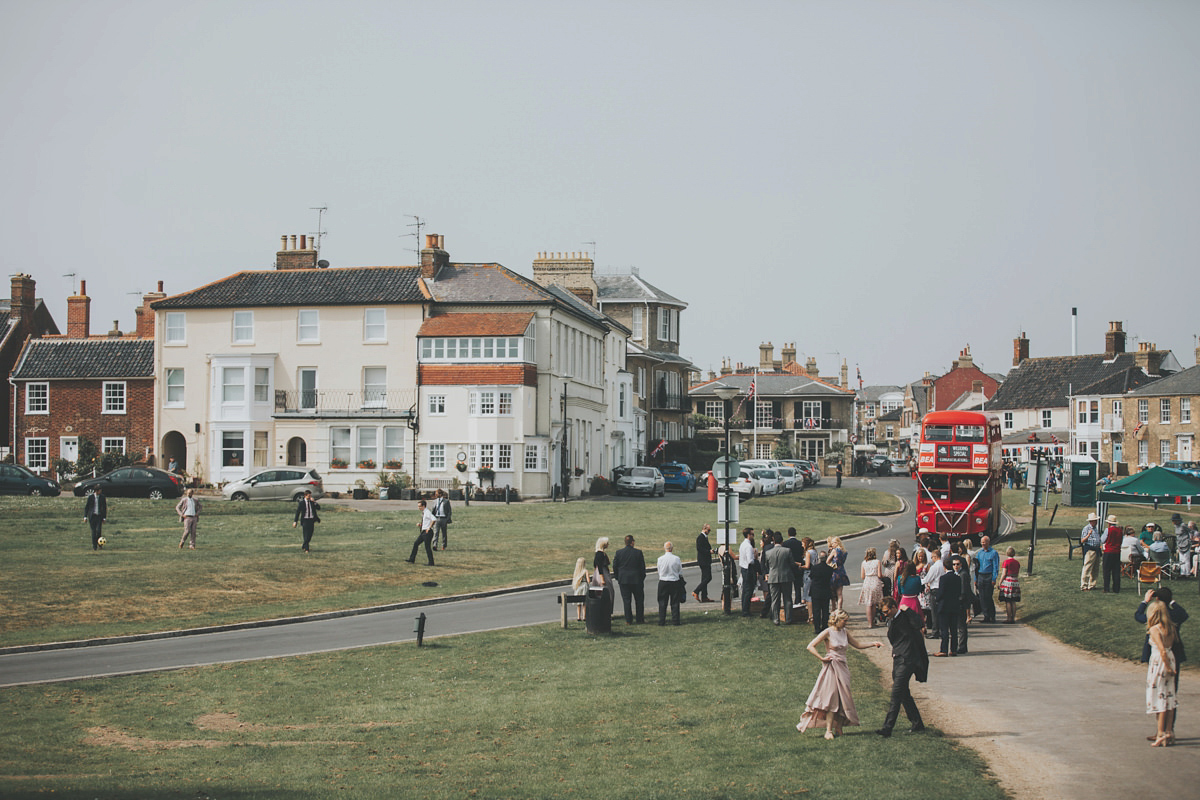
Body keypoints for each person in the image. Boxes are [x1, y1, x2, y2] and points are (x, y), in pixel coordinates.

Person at [796, 609, 882, 739]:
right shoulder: (828, 632)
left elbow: (857, 644)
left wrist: (873, 643)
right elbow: (810, 646)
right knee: (832, 698)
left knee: (843, 698)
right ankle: (828, 730)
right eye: (844, 620)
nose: (846, 623)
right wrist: (822, 658)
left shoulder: (845, 632)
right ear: (837, 619)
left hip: (843, 667)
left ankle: (839, 727)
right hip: (831, 667)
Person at [876, 595, 928, 737]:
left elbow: (919, 624)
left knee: (896, 694)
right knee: (904, 693)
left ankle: (887, 728)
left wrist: (908, 610)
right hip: (898, 659)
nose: (885, 615)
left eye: (887, 611)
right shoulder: (892, 621)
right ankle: (917, 723)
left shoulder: (906, 616)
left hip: (908, 659)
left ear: (894, 607)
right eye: (883, 612)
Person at [1143, 599, 1178, 746]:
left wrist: (1167, 667)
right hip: (1170, 658)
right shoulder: (1171, 627)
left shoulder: (1155, 629)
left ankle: (1161, 732)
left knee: (1160, 696)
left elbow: (1161, 649)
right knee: (1169, 695)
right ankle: (1169, 730)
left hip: (1160, 661)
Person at [612, 534, 647, 625]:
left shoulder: (619, 553)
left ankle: (628, 620)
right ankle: (639, 619)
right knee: (639, 600)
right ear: (632, 542)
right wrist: (642, 577)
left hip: (624, 580)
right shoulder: (638, 552)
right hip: (636, 579)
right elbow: (642, 567)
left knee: (626, 600)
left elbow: (615, 566)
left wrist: (618, 577)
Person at [932, 555, 961, 656]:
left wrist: (937, 599)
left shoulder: (943, 578)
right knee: (954, 630)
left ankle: (944, 649)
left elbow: (941, 592)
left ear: (944, 567)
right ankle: (953, 649)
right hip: (954, 606)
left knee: (944, 630)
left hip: (944, 606)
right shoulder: (957, 578)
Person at [766, 531, 795, 625]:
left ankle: (776, 619)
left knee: (775, 600)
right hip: (786, 576)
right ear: (782, 542)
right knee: (787, 599)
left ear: (774, 542)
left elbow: (767, 565)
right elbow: (792, 564)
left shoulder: (768, 553)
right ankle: (788, 619)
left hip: (773, 577)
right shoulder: (787, 551)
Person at [656, 541, 685, 625]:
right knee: (675, 602)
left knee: (662, 602)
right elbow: (680, 571)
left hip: (663, 581)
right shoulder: (676, 559)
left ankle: (662, 620)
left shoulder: (660, 559)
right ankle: (675, 620)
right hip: (674, 581)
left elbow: (659, 570)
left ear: (664, 549)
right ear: (672, 548)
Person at [952, 553, 974, 654]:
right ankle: (959, 645)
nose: (956, 566)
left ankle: (962, 646)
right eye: (954, 564)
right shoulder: (955, 574)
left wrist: (960, 601)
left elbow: (964, 591)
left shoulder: (963, 574)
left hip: (961, 603)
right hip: (956, 602)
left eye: (957, 564)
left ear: (961, 565)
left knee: (961, 627)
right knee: (957, 626)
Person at [808, 550, 834, 634]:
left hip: (816, 591)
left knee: (816, 611)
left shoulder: (814, 568)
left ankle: (817, 628)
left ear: (819, 558)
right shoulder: (830, 569)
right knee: (825, 610)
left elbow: (811, 577)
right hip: (826, 590)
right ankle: (824, 626)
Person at [858, 547, 884, 629]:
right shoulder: (877, 562)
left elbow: (862, 576)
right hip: (875, 581)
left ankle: (869, 623)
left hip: (867, 582)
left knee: (868, 603)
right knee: (874, 603)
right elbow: (879, 575)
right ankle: (873, 621)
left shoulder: (863, 563)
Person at [405, 499, 436, 565]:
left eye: (420, 506)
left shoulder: (427, 512)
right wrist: (421, 525)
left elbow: (434, 519)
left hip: (427, 533)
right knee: (416, 543)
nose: (418, 508)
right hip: (423, 532)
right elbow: (427, 521)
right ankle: (412, 559)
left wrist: (429, 528)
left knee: (427, 547)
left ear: (424, 506)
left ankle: (431, 562)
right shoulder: (424, 512)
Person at [976, 535, 999, 622]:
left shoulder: (993, 553)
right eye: (982, 542)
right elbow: (977, 566)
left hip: (989, 576)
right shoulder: (980, 553)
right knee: (982, 597)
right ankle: (986, 615)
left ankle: (992, 615)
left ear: (988, 543)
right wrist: (976, 579)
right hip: (981, 575)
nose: (982, 544)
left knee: (988, 596)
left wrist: (994, 578)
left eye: (984, 542)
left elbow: (995, 566)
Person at [292, 489, 321, 553]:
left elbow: (319, 508)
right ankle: (307, 548)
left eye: (310, 496)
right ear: (305, 496)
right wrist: (295, 521)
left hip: (311, 520)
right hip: (305, 520)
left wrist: (314, 502)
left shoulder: (312, 502)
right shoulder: (302, 503)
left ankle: (304, 545)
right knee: (306, 534)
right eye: (308, 496)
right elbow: (298, 512)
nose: (309, 497)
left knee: (310, 534)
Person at [738, 528, 758, 617]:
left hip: (743, 568)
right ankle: (746, 611)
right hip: (748, 569)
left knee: (745, 590)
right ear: (749, 535)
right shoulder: (749, 546)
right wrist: (755, 560)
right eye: (752, 534)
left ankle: (745, 609)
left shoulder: (742, 544)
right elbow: (750, 560)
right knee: (749, 590)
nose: (753, 536)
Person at [1101, 514, 1123, 592]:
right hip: (1117, 552)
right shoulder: (1120, 531)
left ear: (1109, 523)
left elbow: (1103, 540)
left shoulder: (1108, 530)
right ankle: (1116, 588)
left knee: (1106, 571)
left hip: (1108, 552)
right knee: (1116, 571)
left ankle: (1106, 588)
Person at [998, 546, 1021, 623]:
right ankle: (1013, 618)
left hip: (1008, 581)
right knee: (1013, 601)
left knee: (1008, 601)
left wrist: (1000, 582)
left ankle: (1009, 618)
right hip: (1015, 581)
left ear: (1007, 553)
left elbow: (1004, 573)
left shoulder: (1006, 562)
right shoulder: (1017, 562)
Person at [1080, 512, 1102, 590]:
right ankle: (1084, 585)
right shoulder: (1086, 529)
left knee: (1095, 568)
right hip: (1090, 550)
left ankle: (1092, 585)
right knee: (1087, 567)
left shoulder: (1096, 529)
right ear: (1091, 521)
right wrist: (1088, 535)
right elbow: (1082, 540)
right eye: (1095, 520)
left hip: (1096, 549)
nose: (1096, 522)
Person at [694, 524, 714, 602]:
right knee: (708, 577)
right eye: (708, 530)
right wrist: (708, 551)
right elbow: (700, 549)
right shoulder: (700, 538)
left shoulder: (704, 537)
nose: (709, 532)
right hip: (703, 561)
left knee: (704, 578)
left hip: (705, 560)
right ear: (704, 529)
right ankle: (696, 591)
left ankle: (704, 596)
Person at [828, 537, 849, 611]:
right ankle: (839, 609)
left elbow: (827, 561)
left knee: (833, 593)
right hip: (841, 571)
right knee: (840, 594)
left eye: (833, 543)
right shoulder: (844, 551)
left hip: (834, 572)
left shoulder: (835, 550)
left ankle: (833, 609)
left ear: (837, 543)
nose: (832, 544)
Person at [83, 486, 107, 551]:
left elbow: (104, 508)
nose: (100, 492)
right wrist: (85, 516)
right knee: (93, 531)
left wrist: (104, 518)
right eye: (99, 490)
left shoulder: (102, 497)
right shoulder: (90, 497)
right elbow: (87, 507)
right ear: (96, 491)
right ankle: (94, 546)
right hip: (92, 516)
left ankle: (100, 544)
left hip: (99, 516)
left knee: (99, 531)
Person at [592, 537, 613, 607]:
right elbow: (599, 566)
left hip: (601, 573)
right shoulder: (600, 554)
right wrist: (602, 579)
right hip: (603, 574)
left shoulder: (600, 553)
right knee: (608, 591)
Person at [570, 557, 590, 622]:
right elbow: (588, 580)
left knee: (578, 603)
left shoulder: (576, 572)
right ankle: (584, 616)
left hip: (578, 587)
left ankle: (578, 617)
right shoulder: (585, 571)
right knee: (584, 603)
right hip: (584, 586)